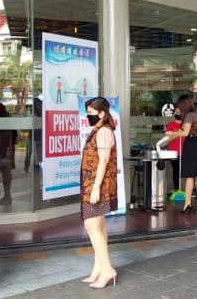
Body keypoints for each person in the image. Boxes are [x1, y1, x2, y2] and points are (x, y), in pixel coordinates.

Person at [80, 97, 118, 289]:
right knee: (99, 227)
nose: (88, 117)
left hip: (98, 186)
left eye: (91, 114)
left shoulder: (103, 131)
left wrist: (95, 188)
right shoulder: (99, 130)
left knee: (92, 227)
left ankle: (107, 269)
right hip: (94, 185)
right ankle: (98, 268)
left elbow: (103, 161)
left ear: (102, 114)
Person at [167, 94, 197, 214]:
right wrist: (175, 133)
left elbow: (185, 133)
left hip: (191, 145)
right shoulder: (194, 115)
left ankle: (187, 203)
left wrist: (172, 134)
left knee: (190, 176)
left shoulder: (189, 115)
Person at [0, 103, 17, 206]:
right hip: (7, 150)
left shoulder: (3, 121)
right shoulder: (6, 119)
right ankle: (6, 196)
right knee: (6, 173)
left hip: (5, 151)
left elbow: (5, 137)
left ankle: (7, 196)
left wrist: (2, 155)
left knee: (6, 173)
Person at [164, 105, 185, 191]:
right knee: (176, 171)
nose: (177, 113)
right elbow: (167, 138)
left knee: (184, 172)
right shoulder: (171, 125)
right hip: (174, 152)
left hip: (184, 151)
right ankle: (177, 189)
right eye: (176, 112)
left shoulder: (186, 125)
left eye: (179, 112)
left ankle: (185, 189)